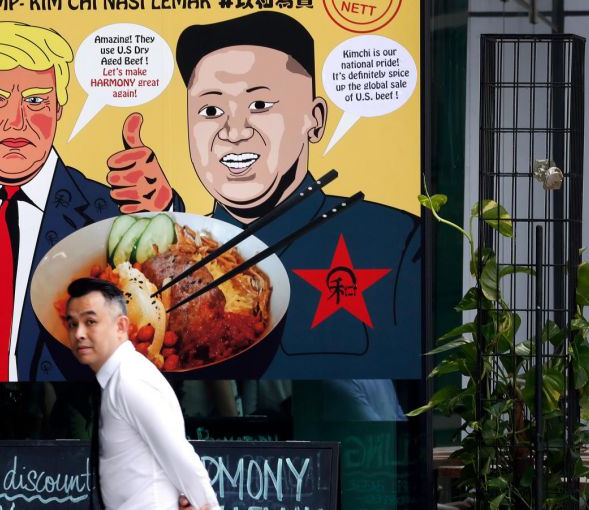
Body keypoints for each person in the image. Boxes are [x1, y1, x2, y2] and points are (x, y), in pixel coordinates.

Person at [125, 12, 421, 378]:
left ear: (314, 119)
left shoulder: (397, 240)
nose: (234, 131)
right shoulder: (177, 248)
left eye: (260, 106)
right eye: (211, 110)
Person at [0, 22, 177, 382]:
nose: (16, 122)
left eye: (36, 101)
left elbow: (175, 280)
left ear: (58, 108)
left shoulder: (108, 210)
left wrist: (165, 209)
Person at [65, 278, 219, 510]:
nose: (79, 333)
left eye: (90, 322)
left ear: (121, 327)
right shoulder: (118, 377)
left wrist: (208, 506)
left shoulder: (130, 379)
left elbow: (180, 457)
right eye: (72, 324)